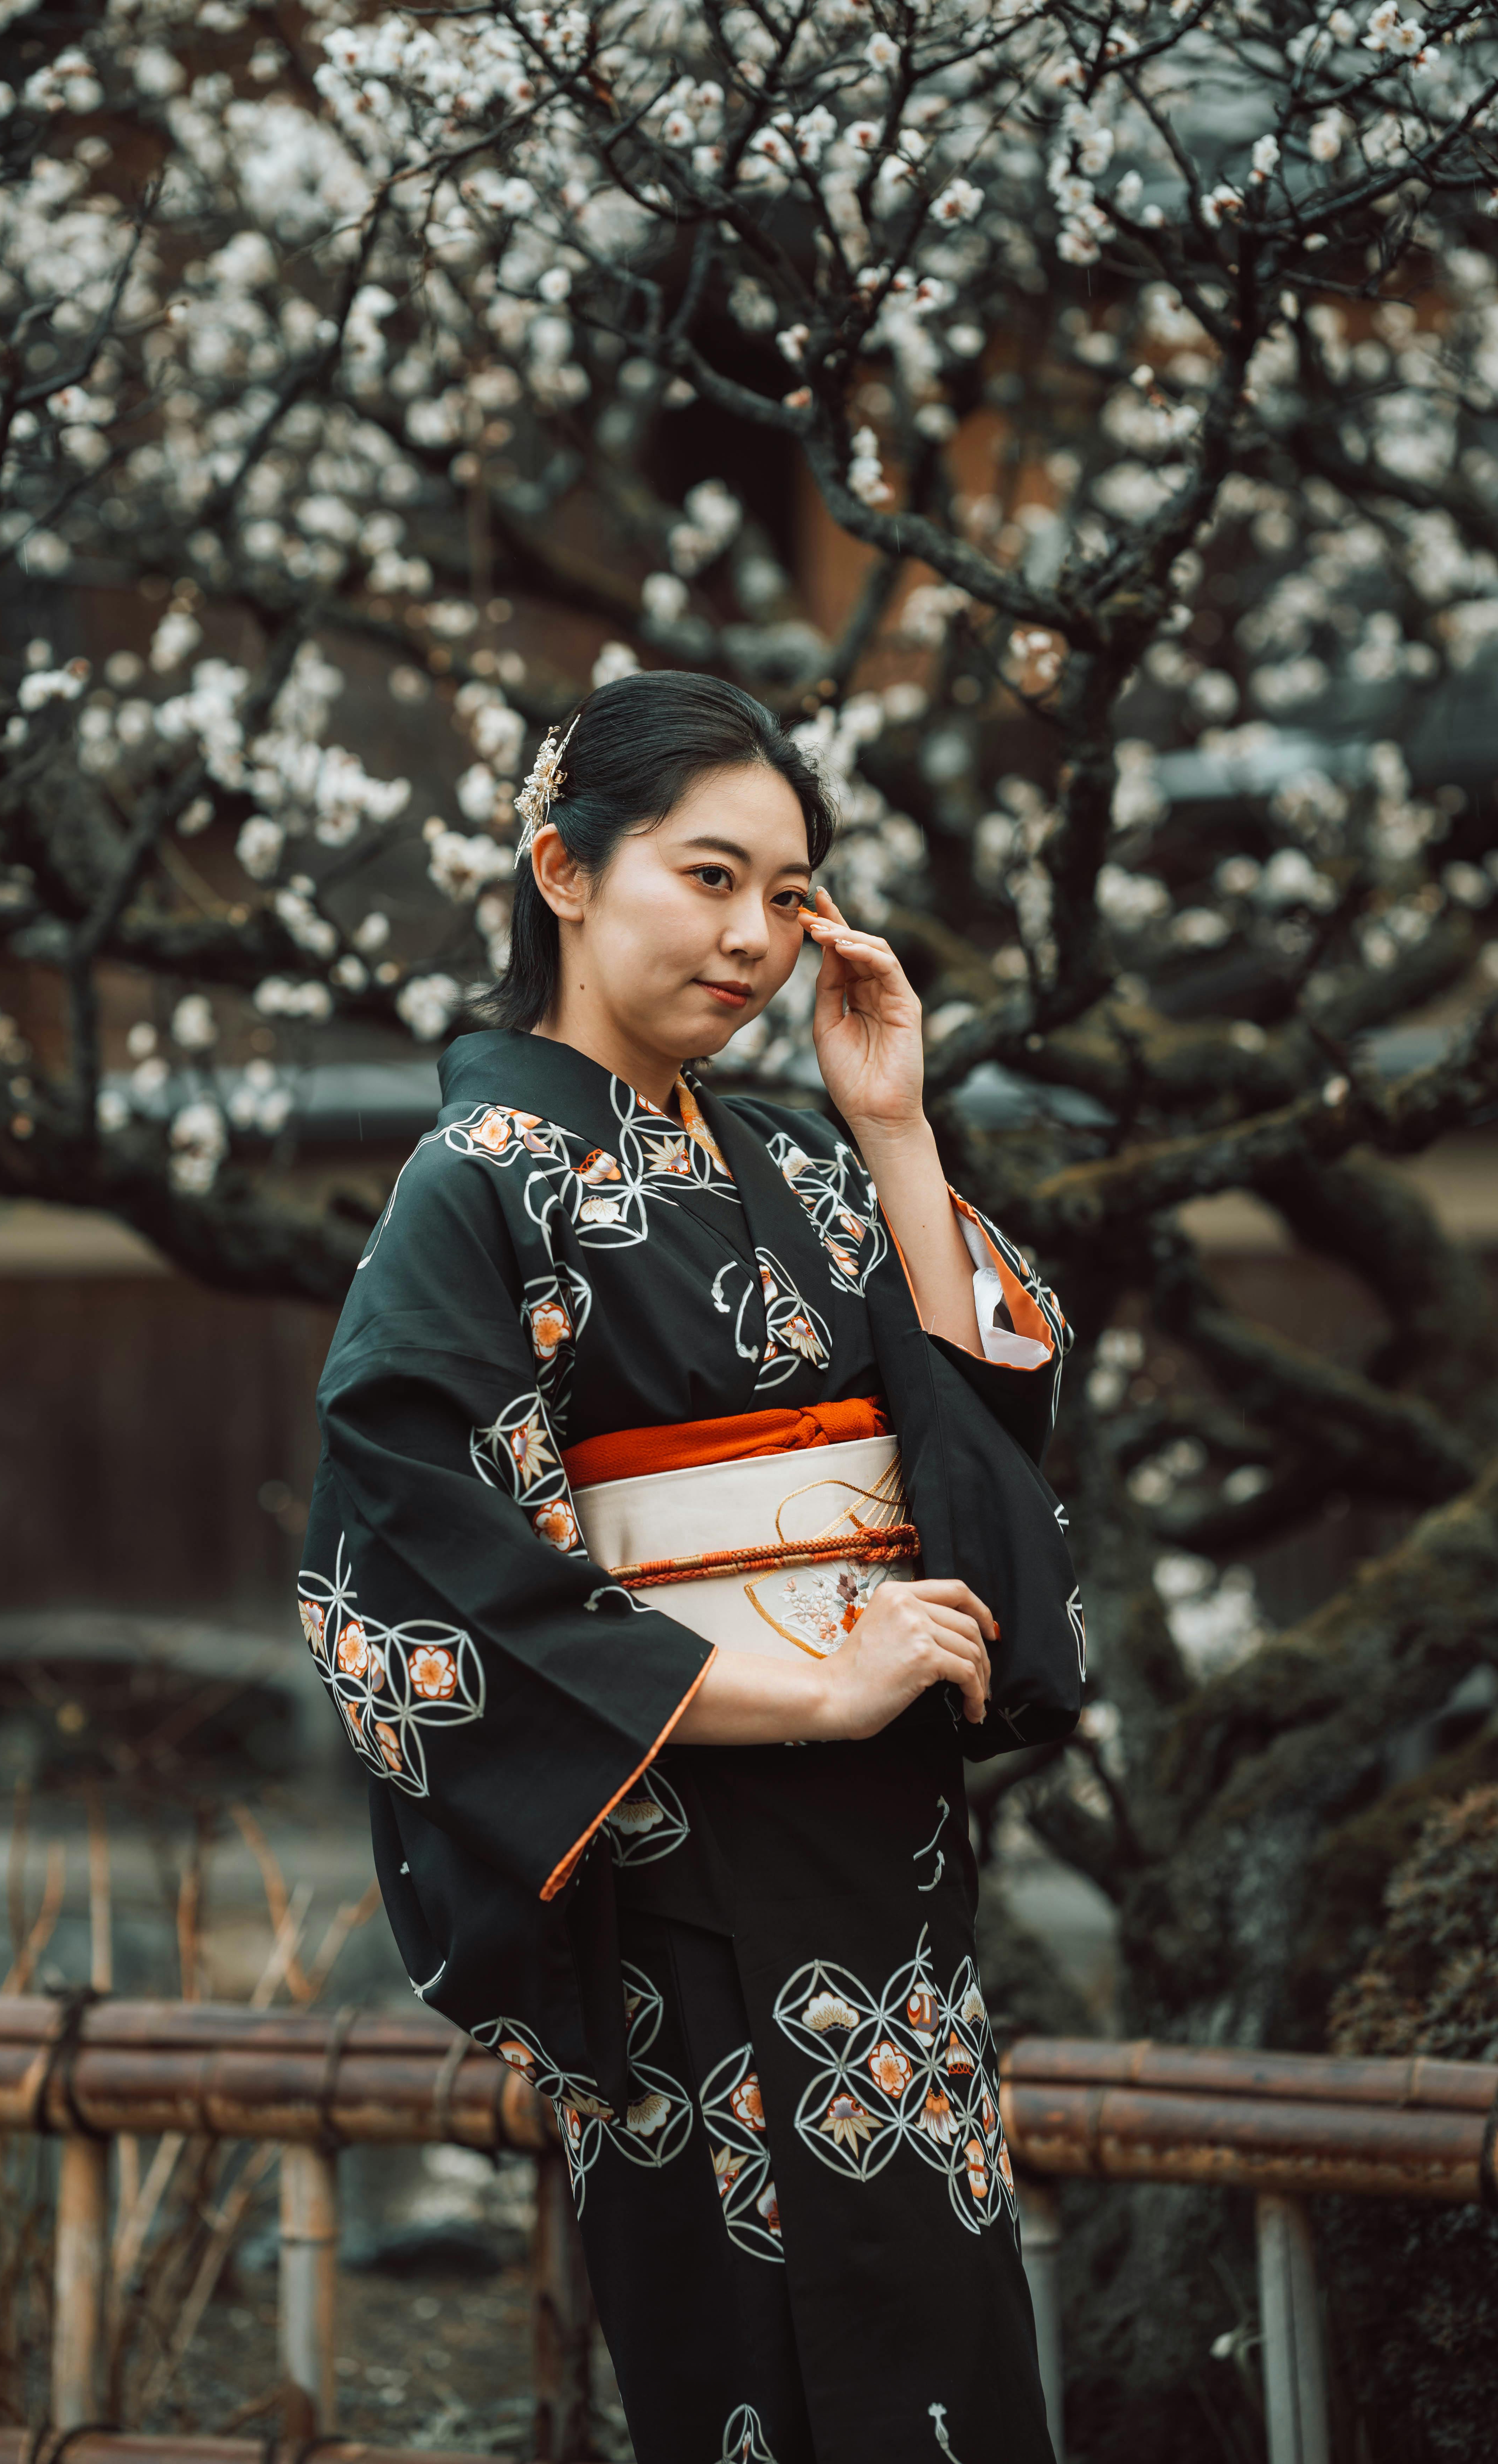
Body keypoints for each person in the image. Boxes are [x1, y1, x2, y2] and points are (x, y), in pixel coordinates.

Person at [298, 670, 1082, 2464]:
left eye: (790, 896)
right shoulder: (476, 1179)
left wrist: (890, 1126)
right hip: (684, 1870)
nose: (755, 937)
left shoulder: (796, 1162)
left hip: (886, 1883)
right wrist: (812, 1682)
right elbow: (422, 1590)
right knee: (768, 2381)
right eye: (708, 876)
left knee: (951, 2361)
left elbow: (970, 1445)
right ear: (563, 871)